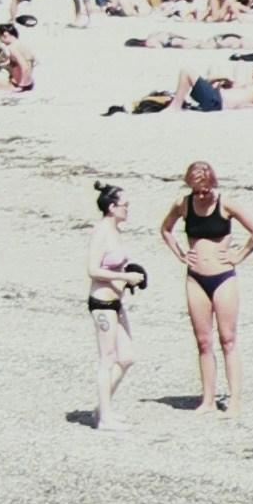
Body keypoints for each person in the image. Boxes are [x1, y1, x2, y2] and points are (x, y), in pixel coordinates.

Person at [162, 157, 253, 421]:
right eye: (197, 190)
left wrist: (239, 255)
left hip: (223, 277)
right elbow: (166, 230)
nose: (202, 194)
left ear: (212, 184)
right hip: (195, 278)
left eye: (205, 189)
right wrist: (181, 254)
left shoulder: (225, 203)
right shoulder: (183, 204)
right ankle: (208, 399)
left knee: (227, 339)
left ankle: (234, 401)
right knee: (203, 341)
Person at [84, 178, 150, 430]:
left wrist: (129, 279)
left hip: (116, 303)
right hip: (102, 303)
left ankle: (102, 408)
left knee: (127, 357)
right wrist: (125, 277)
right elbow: (92, 269)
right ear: (112, 207)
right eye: (124, 205)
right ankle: (105, 417)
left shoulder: (115, 231)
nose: (127, 209)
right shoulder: (101, 231)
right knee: (107, 358)